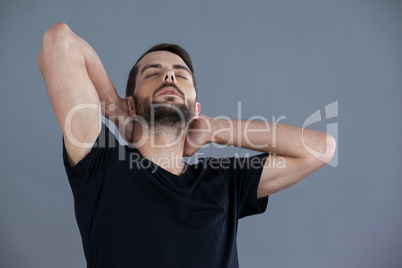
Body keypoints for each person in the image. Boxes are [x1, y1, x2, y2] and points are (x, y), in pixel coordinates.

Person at [38, 23, 336, 268]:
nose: (169, 75)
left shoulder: (223, 181)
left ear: (195, 107)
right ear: (132, 102)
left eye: (181, 75)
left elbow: (321, 147)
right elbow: (59, 42)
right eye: (152, 72)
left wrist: (214, 128)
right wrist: (118, 113)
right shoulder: (102, 164)